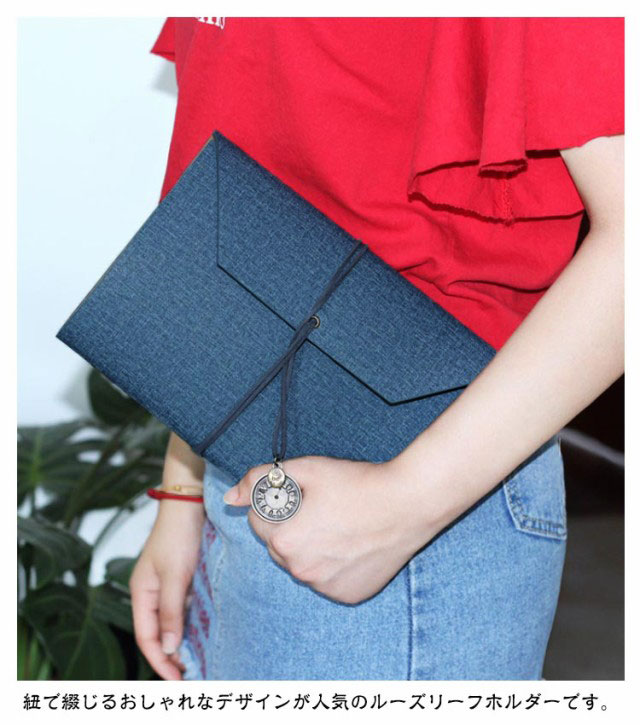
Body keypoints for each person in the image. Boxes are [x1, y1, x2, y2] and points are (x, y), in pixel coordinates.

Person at [129, 17, 624, 680]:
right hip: (251, 471)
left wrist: (403, 504)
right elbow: (248, 183)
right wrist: (186, 483)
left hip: (405, 506)